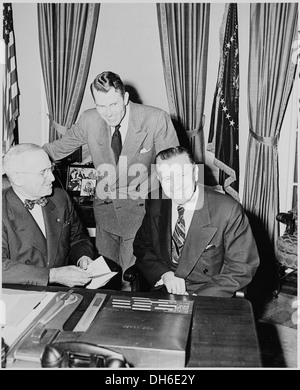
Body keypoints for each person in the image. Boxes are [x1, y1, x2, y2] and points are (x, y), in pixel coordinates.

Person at [43, 71, 179, 286]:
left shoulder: (155, 118)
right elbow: (58, 148)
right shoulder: (89, 119)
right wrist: (17, 158)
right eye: (101, 106)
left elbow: (173, 165)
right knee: (104, 280)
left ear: (125, 98)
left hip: (139, 215)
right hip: (105, 214)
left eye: (114, 104)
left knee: (129, 282)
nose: (108, 113)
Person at [133, 146, 260, 297]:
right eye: (167, 178)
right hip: (165, 291)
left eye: (182, 175)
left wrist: (200, 298)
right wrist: (163, 274)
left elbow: (242, 267)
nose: (176, 186)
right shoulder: (156, 201)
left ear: (195, 173)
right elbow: (142, 245)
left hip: (210, 295)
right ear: (159, 179)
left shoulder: (227, 210)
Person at [2, 143, 120, 288]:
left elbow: (77, 238)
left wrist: (83, 257)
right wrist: (54, 275)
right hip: (18, 296)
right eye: (42, 172)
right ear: (18, 178)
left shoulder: (60, 198)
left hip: (60, 293)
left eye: (51, 169)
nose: (52, 178)